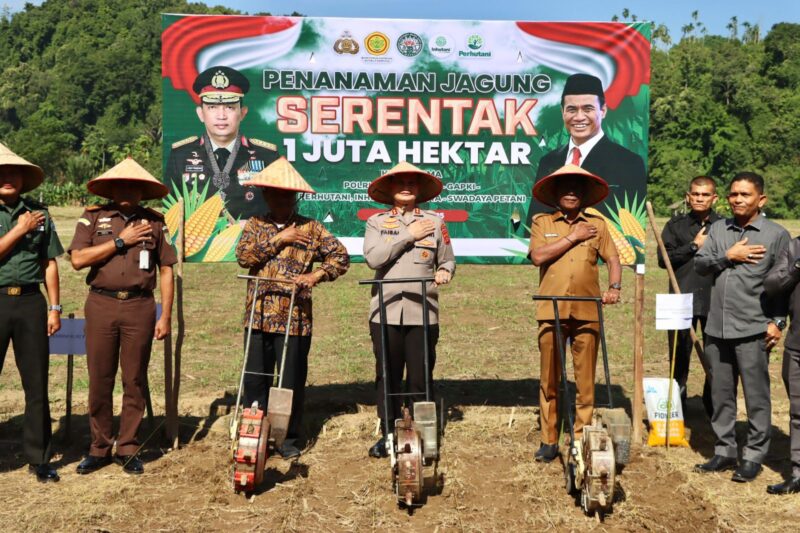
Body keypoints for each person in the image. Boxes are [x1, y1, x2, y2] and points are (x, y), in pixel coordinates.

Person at [235, 157, 349, 459]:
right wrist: (278, 239)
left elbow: (341, 257)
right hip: (258, 316)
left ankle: (287, 439)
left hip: (295, 319)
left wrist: (316, 275)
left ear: (295, 197)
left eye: (287, 194)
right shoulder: (256, 226)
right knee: (255, 379)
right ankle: (253, 436)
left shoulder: (312, 228)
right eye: (275, 193)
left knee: (290, 381)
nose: (281, 199)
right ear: (265, 195)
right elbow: (244, 257)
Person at [69, 158, 176, 475]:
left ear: (143, 191)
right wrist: (121, 241)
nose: (126, 190)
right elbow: (77, 259)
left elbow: (167, 269)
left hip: (140, 307)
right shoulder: (93, 217)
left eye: (133, 185)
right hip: (101, 304)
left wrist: (165, 315)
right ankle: (99, 447)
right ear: (111, 188)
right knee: (100, 378)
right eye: (121, 184)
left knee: (135, 379)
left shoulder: (155, 221)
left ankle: (128, 446)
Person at [694, 172, 790, 482]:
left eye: (745, 195)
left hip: (752, 328)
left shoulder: (775, 235)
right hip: (717, 329)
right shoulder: (719, 229)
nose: (738, 199)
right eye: (734, 194)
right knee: (721, 395)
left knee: (756, 396)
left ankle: (753, 455)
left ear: (761, 199)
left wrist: (777, 322)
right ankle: (724, 451)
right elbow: (700, 264)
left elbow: (785, 284)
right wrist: (727, 256)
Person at [529, 164, 621, 462]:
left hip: (587, 310)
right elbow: (538, 257)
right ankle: (549, 439)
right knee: (550, 378)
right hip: (550, 309)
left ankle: (581, 437)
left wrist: (615, 287)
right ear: (556, 194)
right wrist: (573, 237)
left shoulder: (598, 225)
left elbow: (613, 258)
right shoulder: (542, 222)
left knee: (585, 380)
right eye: (565, 188)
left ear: (584, 195)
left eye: (576, 188)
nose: (571, 192)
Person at [363, 162, 455, 458]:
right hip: (386, 311)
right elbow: (374, 259)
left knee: (420, 376)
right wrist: (409, 236)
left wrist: (445, 272)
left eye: (412, 182)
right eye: (399, 182)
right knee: (387, 374)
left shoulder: (435, 222)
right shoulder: (376, 222)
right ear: (389, 189)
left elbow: (448, 260)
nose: (406, 186)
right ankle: (388, 433)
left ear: (419, 190)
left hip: (423, 311)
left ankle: (424, 435)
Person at [0, 142, 62, 482]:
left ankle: (39, 458)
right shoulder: (26, 221)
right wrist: (19, 230)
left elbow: (49, 263)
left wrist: (54, 307)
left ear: (23, 179)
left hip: (30, 302)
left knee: (36, 382)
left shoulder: (40, 213)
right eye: (2, 173)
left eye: (14, 173)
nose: (8, 178)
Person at [525, 73, 646, 235]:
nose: (579, 117)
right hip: (553, 256)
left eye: (588, 109)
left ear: (603, 111)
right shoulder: (549, 161)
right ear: (563, 112)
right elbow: (534, 222)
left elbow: (635, 227)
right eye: (572, 109)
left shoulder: (629, 162)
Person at [165, 65, 280, 220]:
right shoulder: (180, 156)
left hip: (251, 242)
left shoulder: (267, 156)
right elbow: (170, 214)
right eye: (212, 107)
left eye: (230, 107)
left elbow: (282, 211)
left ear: (243, 113)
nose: (221, 115)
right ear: (200, 114)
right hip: (199, 243)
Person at [657, 176, 721, 415]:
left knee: (715, 355)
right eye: (695, 194)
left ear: (714, 198)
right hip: (679, 297)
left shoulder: (724, 226)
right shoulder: (675, 226)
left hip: (714, 298)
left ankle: (712, 404)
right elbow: (663, 260)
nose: (699, 198)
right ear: (688, 196)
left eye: (705, 195)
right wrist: (693, 246)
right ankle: (677, 409)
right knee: (678, 356)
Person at [764, 227, 800, 494]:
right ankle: (798, 473)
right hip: (797, 345)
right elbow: (773, 285)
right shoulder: (795, 246)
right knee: (798, 411)